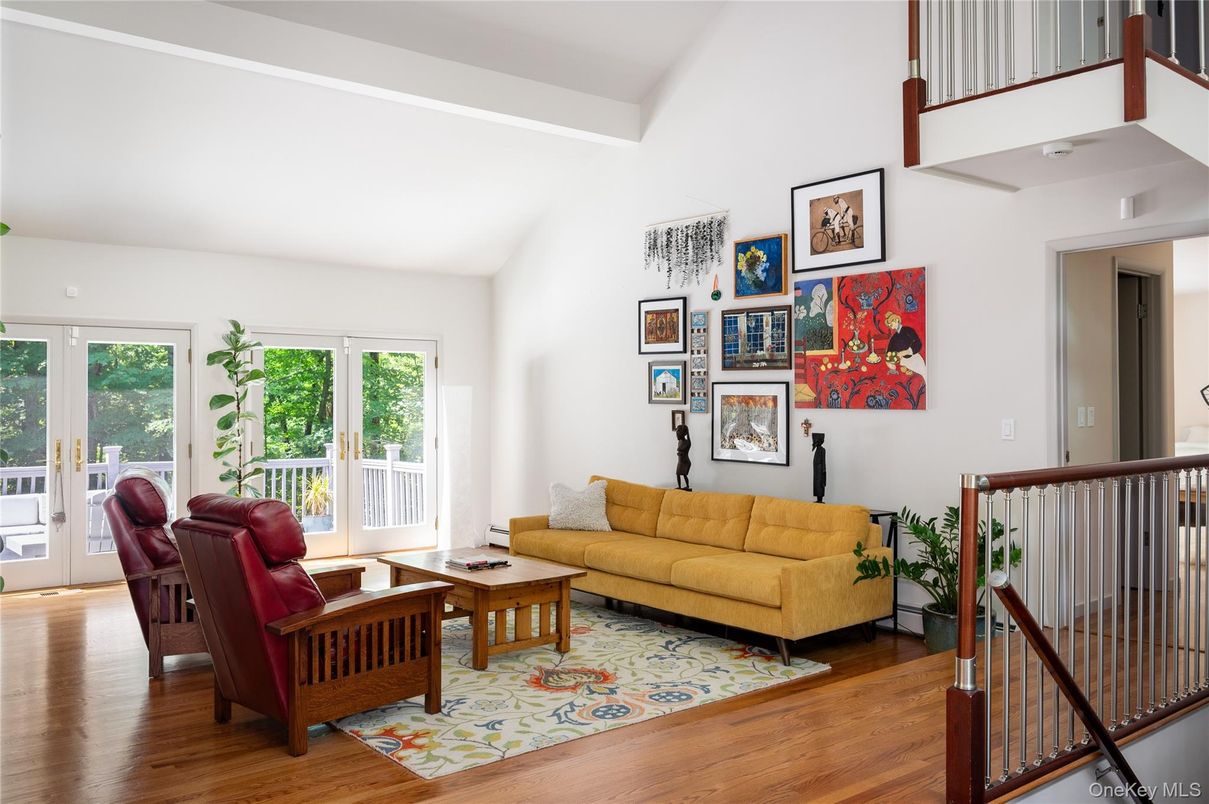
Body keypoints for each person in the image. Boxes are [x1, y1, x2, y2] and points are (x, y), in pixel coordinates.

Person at [885, 311, 926, 380]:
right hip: (903, 363)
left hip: (914, 359)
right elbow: (889, 351)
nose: (891, 327)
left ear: (896, 320)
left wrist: (906, 351)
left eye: (891, 324)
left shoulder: (908, 330)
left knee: (924, 375)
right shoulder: (894, 337)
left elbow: (918, 343)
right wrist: (888, 362)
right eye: (889, 326)